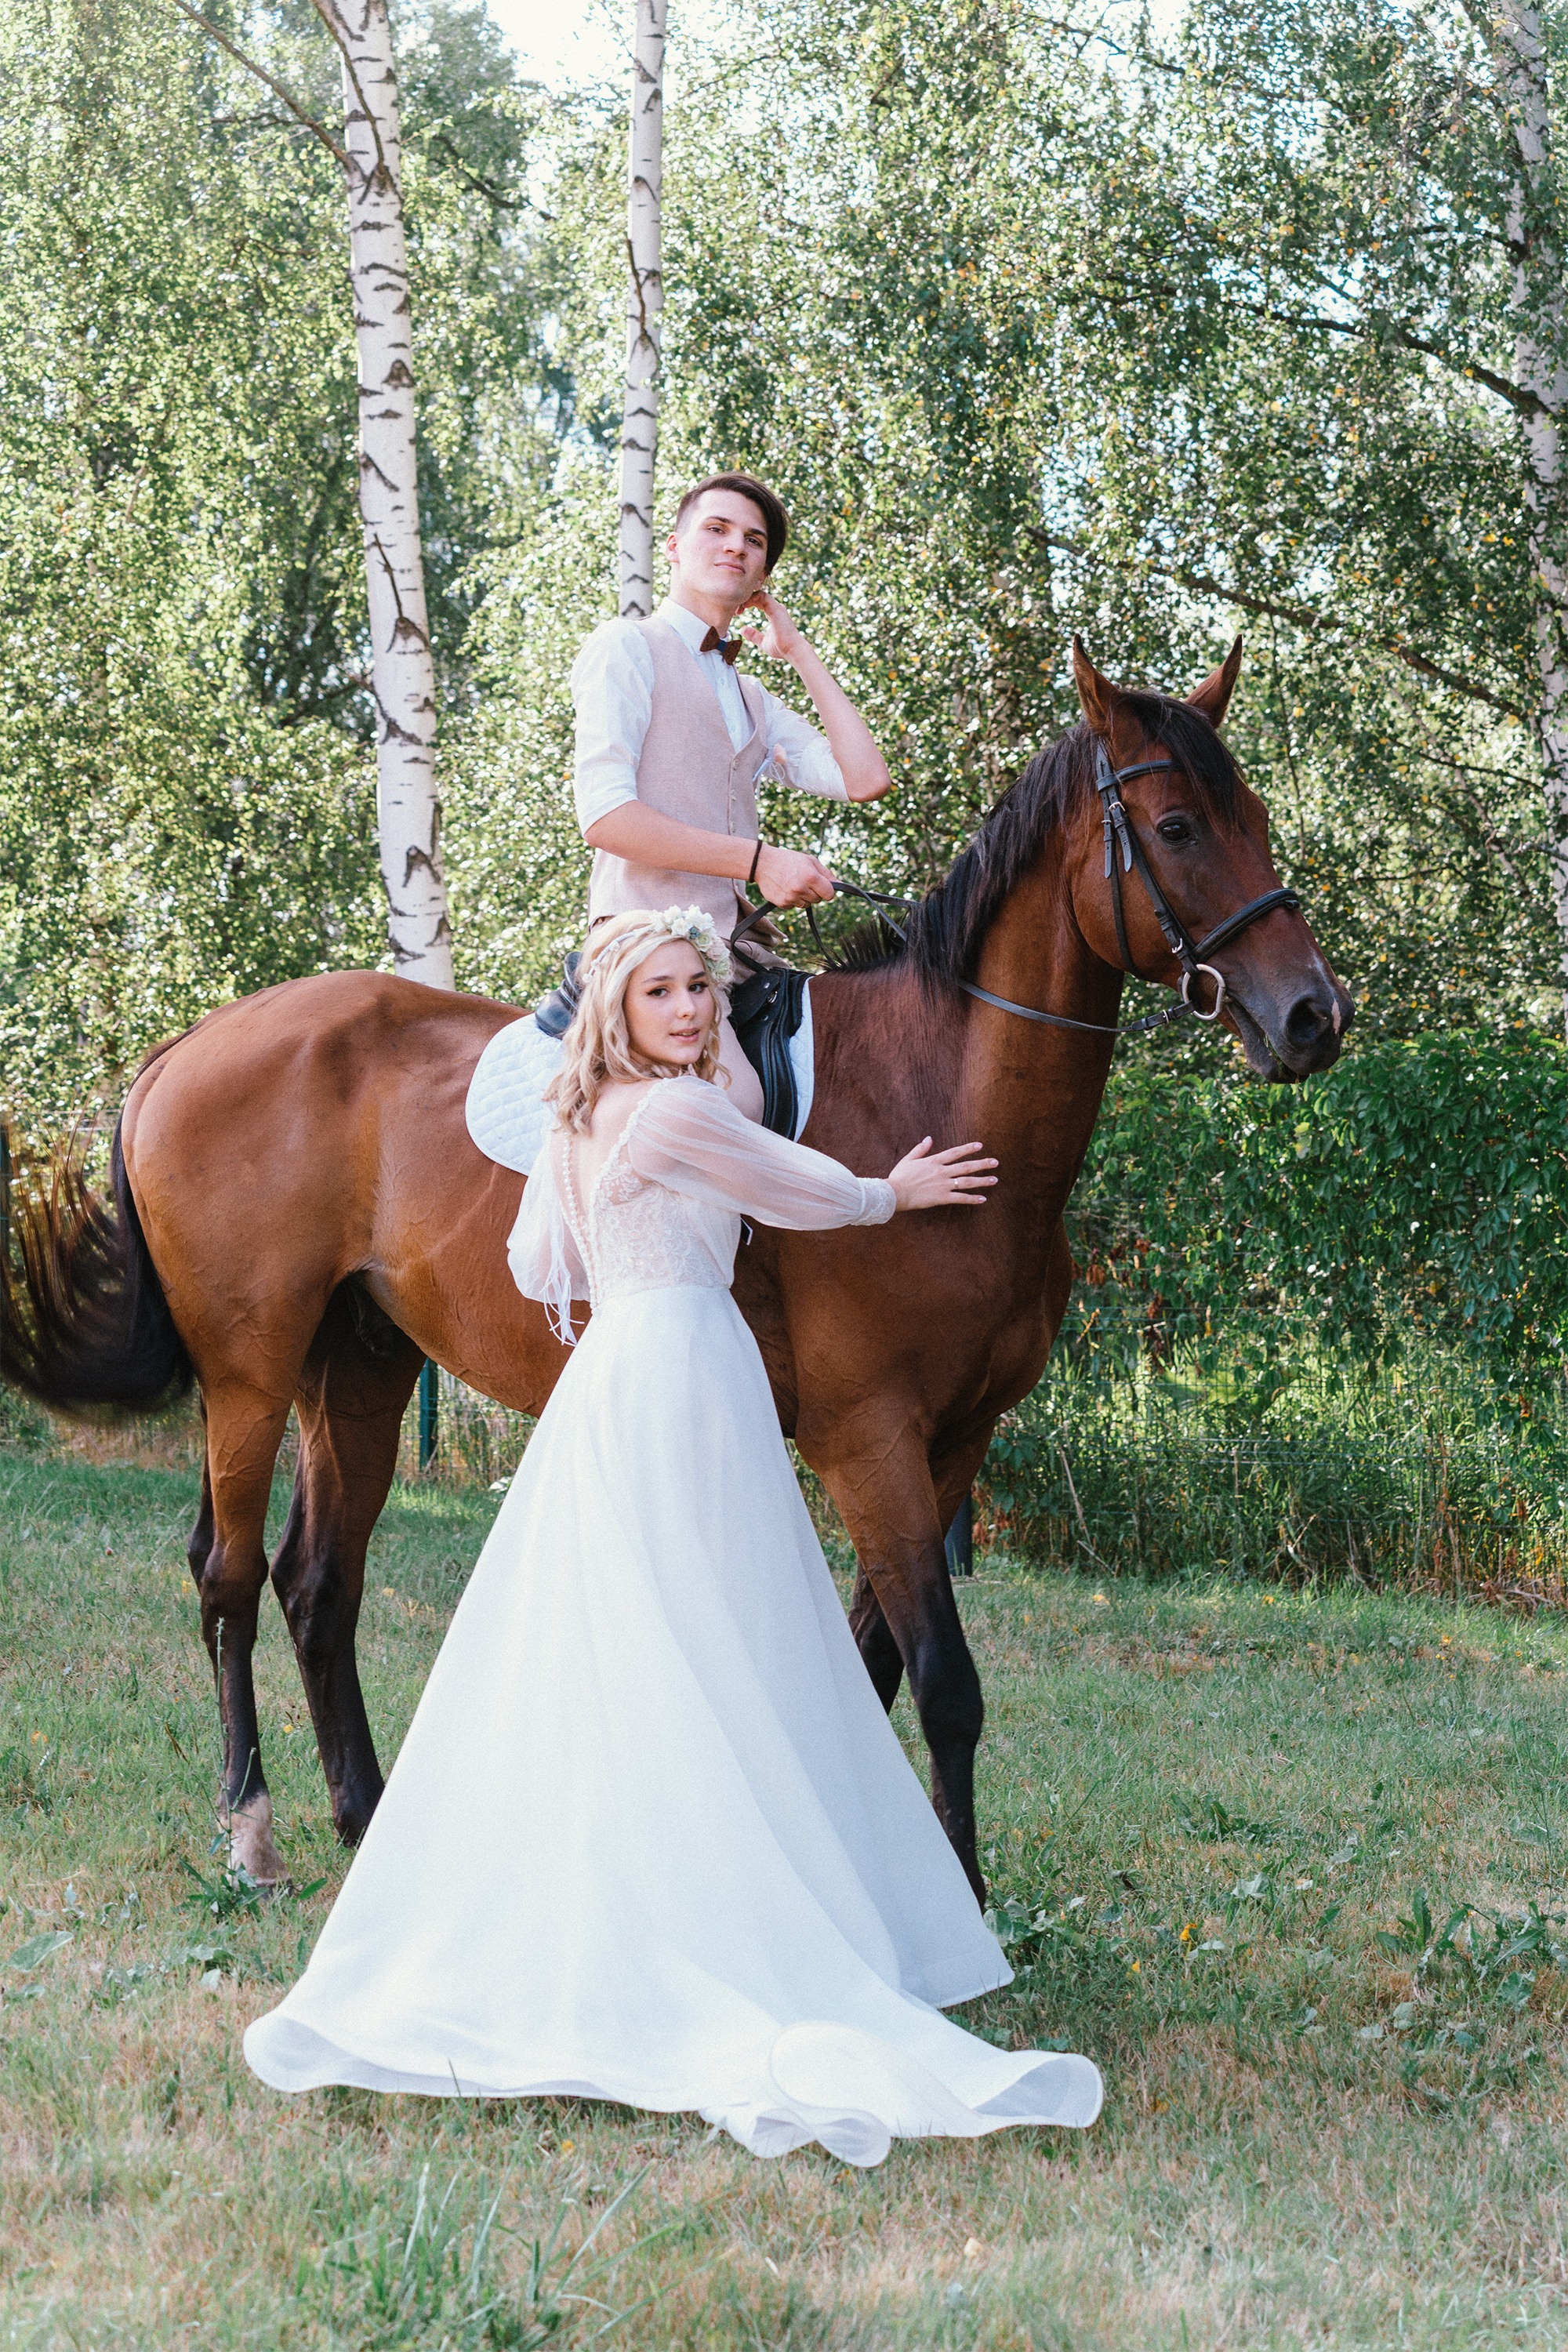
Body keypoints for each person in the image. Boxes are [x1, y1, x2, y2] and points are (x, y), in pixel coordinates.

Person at [245, 906, 1103, 2161]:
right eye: (664, 994)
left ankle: (620, 1908)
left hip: (614, 1379)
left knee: (620, 1642)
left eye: (701, 987)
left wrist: (644, 1223)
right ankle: (740, 1912)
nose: (695, 1010)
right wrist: (893, 1188)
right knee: (720, 1630)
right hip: (693, 1368)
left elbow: (544, 1266)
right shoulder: (675, 1115)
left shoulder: (581, 1119)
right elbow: (792, 1186)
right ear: (618, 1012)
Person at [571, 470, 892, 1121]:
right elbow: (605, 817)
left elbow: (865, 780)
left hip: (738, 957)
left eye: (754, 541)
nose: (735, 547)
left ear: (761, 576)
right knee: (736, 1103)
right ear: (674, 546)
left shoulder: (751, 698)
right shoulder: (626, 647)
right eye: (716, 529)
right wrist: (760, 861)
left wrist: (797, 651)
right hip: (643, 946)